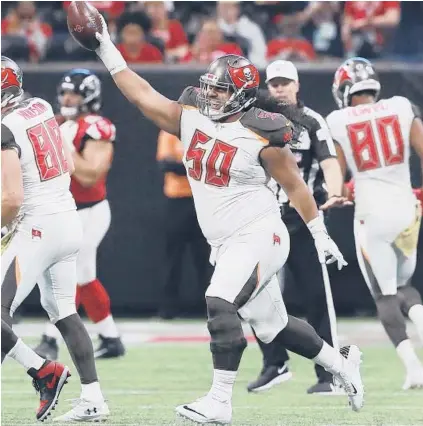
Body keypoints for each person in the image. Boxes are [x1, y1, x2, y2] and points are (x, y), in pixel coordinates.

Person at [92, 15, 364, 424]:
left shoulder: (262, 133)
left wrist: (320, 233)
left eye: (220, 90)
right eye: (210, 87)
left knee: (218, 301)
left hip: (259, 233)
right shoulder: (191, 116)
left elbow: (296, 187)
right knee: (274, 326)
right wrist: (104, 47)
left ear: (240, 95)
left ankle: (219, 401)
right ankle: (342, 366)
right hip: (225, 240)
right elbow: (141, 93)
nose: (211, 95)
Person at [1, 56, 109, 422]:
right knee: (64, 311)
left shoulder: (6, 127)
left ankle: (43, 370)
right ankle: (94, 398)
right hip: (67, 216)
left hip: (36, 225)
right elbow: (62, 157)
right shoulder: (41, 106)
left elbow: (12, 198)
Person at [247, 60, 348, 394]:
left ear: (297, 85)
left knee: (317, 297)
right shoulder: (255, 120)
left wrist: (335, 191)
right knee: (255, 292)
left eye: (284, 83)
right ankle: (274, 363)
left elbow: (330, 161)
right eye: (273, 83)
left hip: (304, 217)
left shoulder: (311, 122)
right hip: (264, 216)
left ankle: (330, 374)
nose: (278, 88)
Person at [327, 57, 423, 390]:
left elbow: (336, 182)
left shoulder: (337, 119)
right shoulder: (401, 106)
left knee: (384, 295)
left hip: (372, 212)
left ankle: (413, 367)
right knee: (404, 285)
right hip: (407, 207)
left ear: (345, 89)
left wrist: (341, 192)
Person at [34, 69, 125, 361]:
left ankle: (50, 339)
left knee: (70, 273)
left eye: (74, 92)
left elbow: (90, 175)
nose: (67, 98)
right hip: (63, 211)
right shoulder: (58, 123)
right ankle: (111, 338)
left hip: (90, 212)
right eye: (64, 92)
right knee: (84, 275)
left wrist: (60, 143)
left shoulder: (97, 126)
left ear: (89, 96)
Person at [156, 130, 211, 319]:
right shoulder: (169, 132)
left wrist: (184, 166)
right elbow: (166, 164)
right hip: (176, 200)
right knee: (172, 257)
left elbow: (212, 166)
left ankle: (213, 308)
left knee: (207, 257)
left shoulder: (206, 130)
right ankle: (168, 308)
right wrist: (196, 167)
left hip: (203, 200)